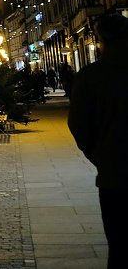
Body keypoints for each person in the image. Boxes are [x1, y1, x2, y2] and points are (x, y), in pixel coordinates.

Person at [68, 13, 128, 269]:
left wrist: (99, 155)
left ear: (101, 39)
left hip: (114, 174)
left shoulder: (90, 77)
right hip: (112, 169)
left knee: (119, 244)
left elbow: (79, 125)